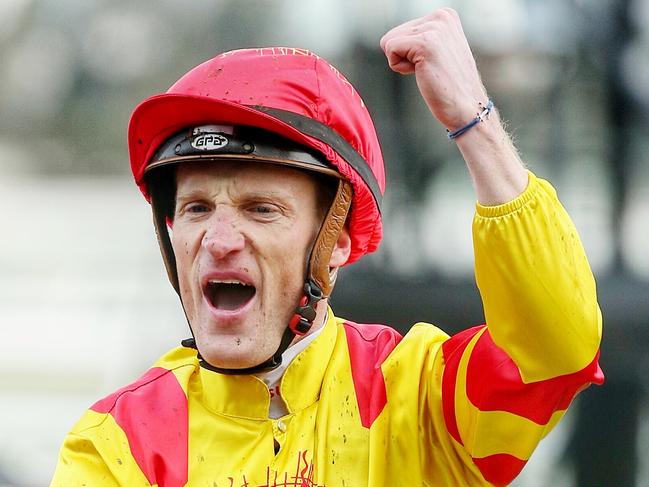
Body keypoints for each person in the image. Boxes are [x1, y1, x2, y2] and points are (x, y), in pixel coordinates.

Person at [51, 8, 603, 487]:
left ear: (335, 243)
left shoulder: (419, 399)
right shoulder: (114, 444)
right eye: (196, 209)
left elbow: (555, 350)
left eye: (260, 209)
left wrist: (473, 119)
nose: (216, 241)